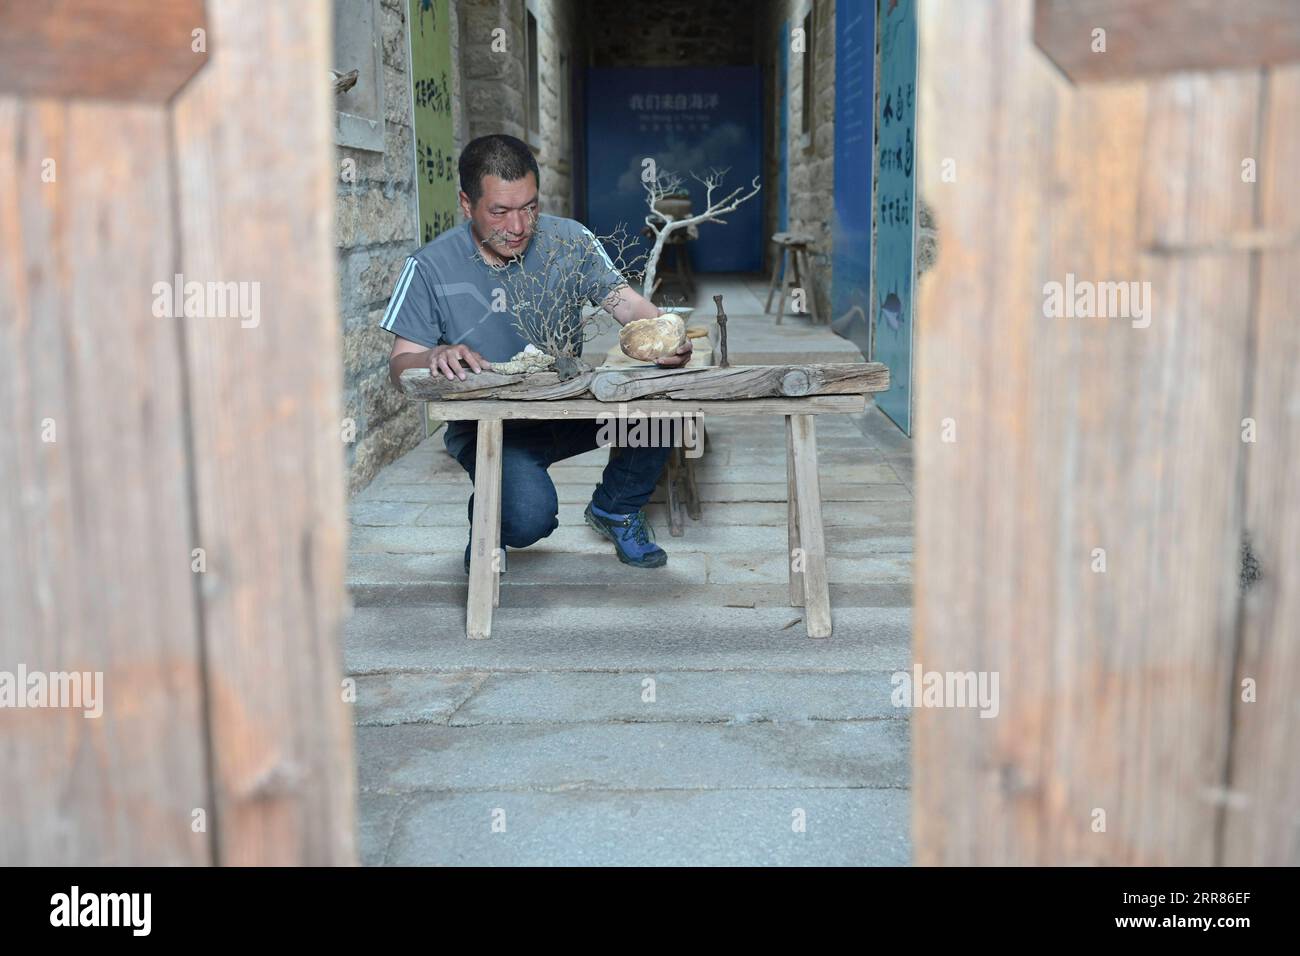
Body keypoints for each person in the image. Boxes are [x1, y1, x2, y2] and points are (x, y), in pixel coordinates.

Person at [381, 133, 692, 571]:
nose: (519, 227)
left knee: (665, 408)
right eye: (500, 212)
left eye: (529, 207)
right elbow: (399, 365)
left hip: (571, 406)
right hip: (491, 426)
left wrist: (665, 334)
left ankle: (616, 507)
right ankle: (492, 520)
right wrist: (432, 356)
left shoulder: (570, 240)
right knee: (529, 519)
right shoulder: (430, 266)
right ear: (467, 204)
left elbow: (629, 305)